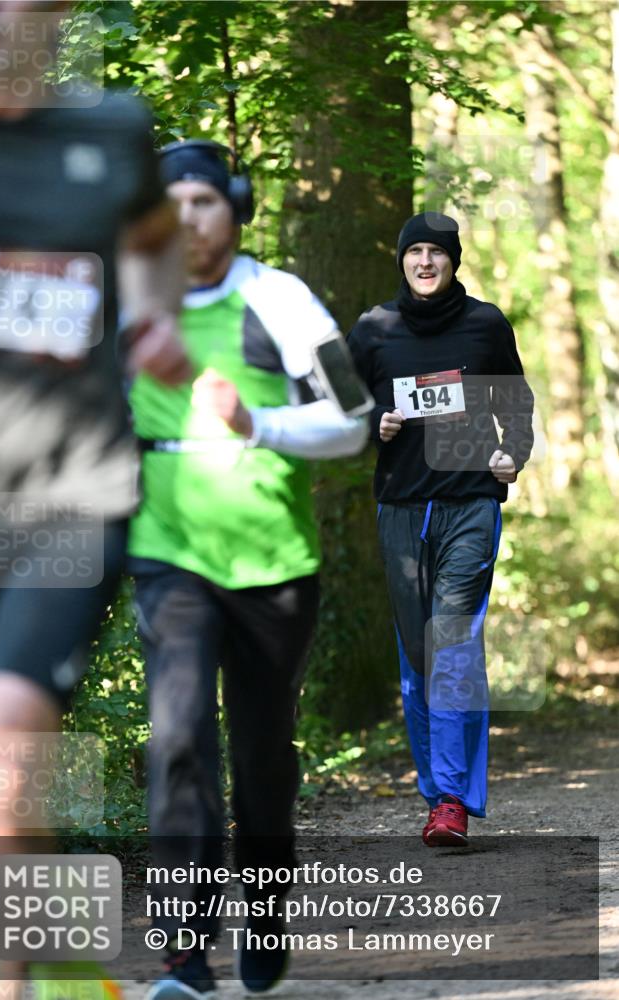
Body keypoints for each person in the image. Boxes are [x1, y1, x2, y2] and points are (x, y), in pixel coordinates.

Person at [0, 3, 189, 998]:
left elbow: (154, 235)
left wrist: (154, 315)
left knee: (2, 768)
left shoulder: (111, 130)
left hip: (64, 496)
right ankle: (66, 965)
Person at [127, 139, 368, 999]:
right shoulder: (127, 303)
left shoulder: (281, 300)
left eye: (203, 201)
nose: (187, 220)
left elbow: (353, 420)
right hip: (168, 552)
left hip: (273, 562)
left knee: (262, 758)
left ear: (234, 208)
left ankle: (265, 912)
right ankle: (184, 957)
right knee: (178, 739)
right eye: (171, 207)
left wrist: (258, 425)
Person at [347, 211, 534, 848]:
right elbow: (340, 404)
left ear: (454, 260)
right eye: (415, 252)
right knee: (418, 654)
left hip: (469, 503)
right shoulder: (374, 328)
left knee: (451, 642)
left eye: (437, 252)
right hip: (402, 508)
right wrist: (373, 423)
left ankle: (451, 799)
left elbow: (516, 403)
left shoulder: (485, 324)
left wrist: (513, 453)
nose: (425, 262)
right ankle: (438, 794)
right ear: (401, 260)